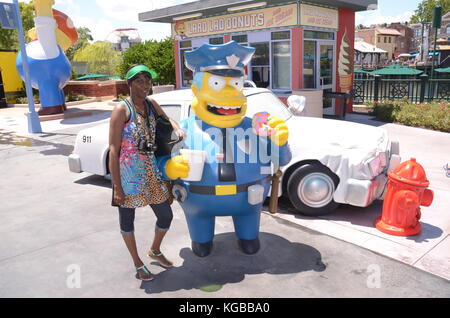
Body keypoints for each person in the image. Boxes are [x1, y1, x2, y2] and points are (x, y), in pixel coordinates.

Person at [109, 64, 185, 281]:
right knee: (127, 221)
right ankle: (137, 262)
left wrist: (176, 127)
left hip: (151, 170)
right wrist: (117, 186)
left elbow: (167, 119)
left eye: (148, 81)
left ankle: (155, 249)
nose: (145, 86)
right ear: (129, 84)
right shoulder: (121, 110)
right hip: (128, 174)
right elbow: (114, 150)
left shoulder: (151, 104)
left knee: (165, 215)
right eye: (140, 81)